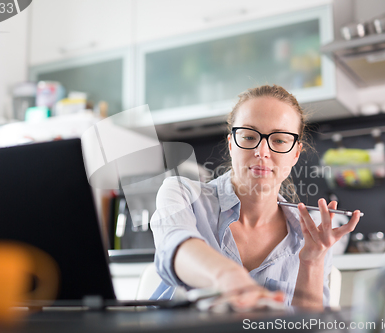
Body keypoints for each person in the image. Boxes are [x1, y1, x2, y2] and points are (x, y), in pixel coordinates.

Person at [150, 84, 360, 309]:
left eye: (279, 140)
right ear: (231, 144)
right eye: (249, 137)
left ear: (296, 154)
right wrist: (228, 277)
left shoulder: (311, 236)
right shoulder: (182, 194)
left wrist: (312, 261)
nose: (262, 151)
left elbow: (306, 327)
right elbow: (174, 246)